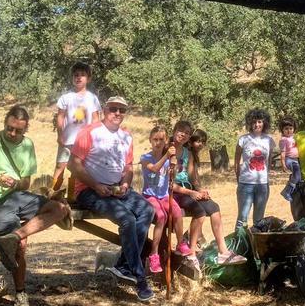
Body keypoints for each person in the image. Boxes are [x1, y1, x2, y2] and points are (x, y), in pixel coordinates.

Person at [0, 105, 71, 306]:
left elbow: (26, 183)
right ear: (5, 123)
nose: (12, 134)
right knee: (20, 246)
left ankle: (14, 236)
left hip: (17, 196)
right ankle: (21, 293)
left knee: (60, 209)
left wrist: (15, 183)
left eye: (18, 130)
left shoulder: (27, 145)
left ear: (25, 129)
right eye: (9, 128)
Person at [69, 96, 156, 302]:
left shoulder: (126, 136)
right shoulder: (89, 132)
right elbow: (73, 165)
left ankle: (124, 265)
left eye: (122, 110)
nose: (117, 113)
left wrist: (125, 184)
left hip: (116, 189)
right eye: (113, 109)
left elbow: (127, 168)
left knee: (147, 210)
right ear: (104, 110)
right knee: (127, 219)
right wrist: (96, 185)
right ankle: (140, 278)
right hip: (88, 190)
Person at [171, 124, 246, 265]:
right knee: (199, 211)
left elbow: (192, 177)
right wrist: (192, 192)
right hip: (175, 192)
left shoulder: (188, 154)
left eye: (187, 133)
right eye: (181, 131)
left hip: (188, 190)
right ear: (174, 131)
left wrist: (199, 190)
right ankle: (191, 253)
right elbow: (167, 182)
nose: (184, 135)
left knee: (214, 207)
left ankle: (223, 252)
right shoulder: (168, 151)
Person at [140, 125, 192, 274]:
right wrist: (167, 156)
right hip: (150, 195)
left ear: (165, 141)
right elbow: (155, 168)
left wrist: (173, 167)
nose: (158, 142)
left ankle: (181, 243)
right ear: (150, 140)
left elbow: (172, 174)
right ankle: (154, 254)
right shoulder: (145, 158)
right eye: (155, 139)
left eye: (161, 139)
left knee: (176, 212)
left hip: (164, 195)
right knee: (161, 217)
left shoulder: (169, 159)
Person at [52, 62, 101, 191]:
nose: (78, 77)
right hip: (67, 140)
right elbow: (61, 117)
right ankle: (53, 192)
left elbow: (96, 119)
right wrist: (60, 135)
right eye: (76, 75)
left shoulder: (93, 98)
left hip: (83, 143)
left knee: (77, 170)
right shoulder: (66, 97)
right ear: (72, 78)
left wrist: (95, 139)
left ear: (88, 78)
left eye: (82, 75)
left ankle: (73, 197)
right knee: (60, 166)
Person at [234, 108, 273, 228]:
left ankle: (256, 245)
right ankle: (239, 244)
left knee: (259, 220)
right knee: (242, 218)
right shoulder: (243, 139)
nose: (257, 124)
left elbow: (269, 161)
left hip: (262, 185)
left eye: (260, 121)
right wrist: (239, 179)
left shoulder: (269, 140)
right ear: (250, 123)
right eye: (254, 122)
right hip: (246, 184)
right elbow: (236, 162)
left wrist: (266, 177)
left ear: (264, 123)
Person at [278, 117, 300, 201]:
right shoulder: (284, 140)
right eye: (286, 129)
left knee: (298, 176)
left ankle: (290, 189)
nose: (289, 130)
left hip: (295, 159)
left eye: (291, 128)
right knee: (297, 176)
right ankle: (287, 191)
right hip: (289, 159)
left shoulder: (294, 138)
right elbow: (283, 153)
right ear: (282, 130)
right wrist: (283, 164)